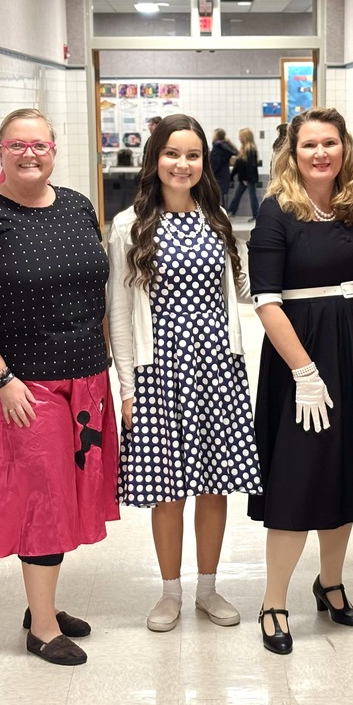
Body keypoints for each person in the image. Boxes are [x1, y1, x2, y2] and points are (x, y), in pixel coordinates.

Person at [0, 108, 119, 667]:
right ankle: (42, 628)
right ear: (0, 153)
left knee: (66, 496)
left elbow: (95, 286)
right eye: (16, 145)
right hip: (23, 385)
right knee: (42, 501)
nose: (28, 154)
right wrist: (1, 378)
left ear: (53, 149)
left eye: (38, 144)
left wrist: (110, 364)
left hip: (86, 379)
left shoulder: (77, 206)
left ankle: (41, 604)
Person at [247, 106, 353, 655]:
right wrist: (304, 373)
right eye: (309, 144)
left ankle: (329, 581)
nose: (320, 154)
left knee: (345, 471)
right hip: (300, 356)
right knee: (298, 477)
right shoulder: (275, 213)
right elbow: (265, 301)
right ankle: (273, 601)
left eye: (330, 143)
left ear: (344, 149)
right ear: (293, 152)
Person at [107, 114, 261, 634]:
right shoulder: (129, 224)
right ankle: (169, 592)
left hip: (219, 367)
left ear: (204, 162)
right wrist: (127, 388)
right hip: (159, 371)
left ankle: (208, 588)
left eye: (192, 155)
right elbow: (122, 314)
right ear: (155, 159)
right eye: (173, 154)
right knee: (167, 490)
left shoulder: (216, 219)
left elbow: (240, 290)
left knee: (215, 486)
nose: (183, 164)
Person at [229, 127, 261, 219]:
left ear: (245, 137)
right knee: (239, 195)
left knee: (252, 196)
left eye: (240, 136)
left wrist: (246, 178)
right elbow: (239, 165)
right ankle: (232, 211)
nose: (239, 138)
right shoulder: (244, 149)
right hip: (245, 178)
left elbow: (250, 166)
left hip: (248, 178)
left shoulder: (250, 150)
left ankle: (256, 215)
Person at [210, 128, 238, 207]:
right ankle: (222, 215)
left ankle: (219, 216)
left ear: (216, 136)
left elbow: (215, 163)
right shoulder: (225, 147)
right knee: (220, 197)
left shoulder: (218, 148)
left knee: (217, 197)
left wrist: (209, 172)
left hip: (217, 176)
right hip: (224, 175)